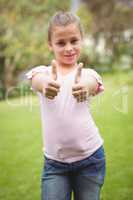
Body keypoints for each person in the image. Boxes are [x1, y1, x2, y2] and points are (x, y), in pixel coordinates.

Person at [26, 11, 106, 200]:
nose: (69, 48)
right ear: (50, 45)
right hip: (55, 165)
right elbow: (36, 80)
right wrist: (46, 85)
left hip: (91, 159)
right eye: (61, 43)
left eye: (74, 41)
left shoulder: (88, 73)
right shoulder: (43, 72)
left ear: (81, 40)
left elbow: (92, 83)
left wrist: (84, 88)